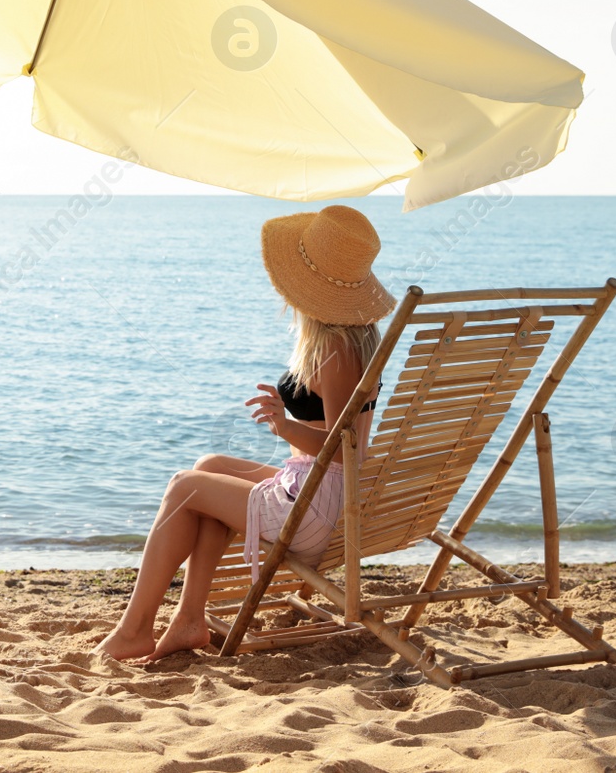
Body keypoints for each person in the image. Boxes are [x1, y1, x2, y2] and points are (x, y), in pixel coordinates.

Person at [94, 205, 396, 663]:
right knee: (209, 468)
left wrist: (284, 425)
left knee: (183, 486)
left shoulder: (336, 348)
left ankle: (134, 629)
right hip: (317, 489)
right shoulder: (355, 338)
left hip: (316, 505)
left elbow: (344, 449)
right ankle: (189, 619)